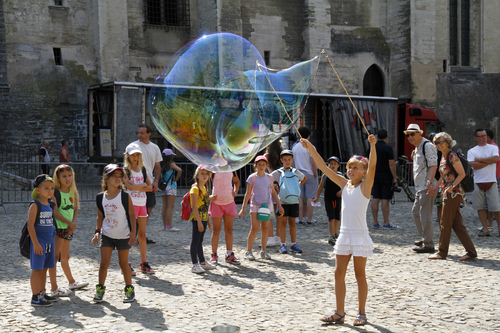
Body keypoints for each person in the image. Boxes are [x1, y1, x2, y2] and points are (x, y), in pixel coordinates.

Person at [301, 134, 377, 326]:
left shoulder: (365, 186)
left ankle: (362, 313)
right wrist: (310, 147)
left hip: (359, 235)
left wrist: (372, 146)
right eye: (349, 167)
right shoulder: (345, 184)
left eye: (356, 167)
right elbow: (323, 167)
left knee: (360, 275)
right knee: (338, 273)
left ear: (364, 172)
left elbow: (374, 165)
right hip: (344, 235)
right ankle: (339, 312)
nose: (351, 170)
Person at [428, 132, 477, 260]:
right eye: (436, 142)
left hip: (453, 194)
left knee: (445, 223)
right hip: (449, 192)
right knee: (457, 225)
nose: (438, 145)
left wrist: (451, 187)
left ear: (448, 143)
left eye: (441, 142)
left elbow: (461, 174)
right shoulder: (444, 157)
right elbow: (444, 177)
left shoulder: (452, 156)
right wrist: (435, 187)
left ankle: (442, 252)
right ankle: (471, 252)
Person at [91, 164, 137, 303]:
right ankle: (100, 289)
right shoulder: (100, 197)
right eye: (114, 176)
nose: (118, 179)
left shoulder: (124, 196)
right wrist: (97, 232)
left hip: (123, 235)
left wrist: (133, 232)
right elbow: (100, 216)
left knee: (124, 264)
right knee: (104, 263)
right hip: (107, 235)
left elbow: (132, 214)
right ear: (106, 178)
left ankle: (129, 289)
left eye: (120, 176)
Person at [50, 165, 88, 296]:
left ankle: (71, 281)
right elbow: (55, 212)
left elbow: (76, 209)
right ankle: (53, 287)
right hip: (59, 228)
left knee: (65, 257)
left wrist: (73, 224)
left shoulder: (73, 191)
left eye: (69, 175)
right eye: (64, 176)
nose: (67, 178)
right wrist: (69, 223)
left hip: (69, 229)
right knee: (55, 257)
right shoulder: (55, 192)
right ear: (58, 178)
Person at [238, 156, 284, 260]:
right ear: (256, 166)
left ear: (267, 165)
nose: (261, 166)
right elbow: (248, 193)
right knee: (254, 228)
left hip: (266, 205)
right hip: (255, 205)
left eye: (263, 164)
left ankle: (263, 251)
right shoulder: (252, 178)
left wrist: (279, 205)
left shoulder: (269, 177)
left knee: (265, 228)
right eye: (259, 164)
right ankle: (248, 251)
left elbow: (273, 192)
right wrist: (243, 207)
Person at [405, 124, 438, 253]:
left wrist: (430, 183)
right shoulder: (418, 147)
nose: (410, 137)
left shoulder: (427, 146)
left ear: (420, 133)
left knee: (425, 215)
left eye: (412, 134)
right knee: (416, 212)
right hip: (420, 187)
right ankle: (424, 238)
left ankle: (429, 243)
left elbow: (433, 166)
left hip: (426, 186)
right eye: (408, 134)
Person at [123, 144, 154, 274]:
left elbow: (150, 187)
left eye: (137, 155)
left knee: (142, 234)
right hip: (131, 204)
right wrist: (142, 186)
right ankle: (126, 263)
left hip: (142, 203)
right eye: (132, 155)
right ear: (127, 156)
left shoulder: (142, 169)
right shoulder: (125, 170)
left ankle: (144, 262)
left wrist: (137, 186)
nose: (135, 157)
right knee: (131, 233)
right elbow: (129, 187)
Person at [28, 174, 58, 306]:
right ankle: (35, 297)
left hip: (49, 242)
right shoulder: (35, 205)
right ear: (38, 190)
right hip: (39, 243)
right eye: (46, 188)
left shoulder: (50, 204)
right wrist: (35, 243)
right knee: (37, 270)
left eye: (52, 188)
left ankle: (42, 292)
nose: (50, 191)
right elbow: (30, 225)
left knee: (45, 268)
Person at [132, 124, 163, 244]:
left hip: (150, 183)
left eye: (142, 133)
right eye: (138, 133)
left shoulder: (155, 148)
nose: (139, 135)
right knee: (134, 210)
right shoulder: (133, 146)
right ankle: (133, 235)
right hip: (137, 183)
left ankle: (141, 234)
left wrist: (156, 181)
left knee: (148, 208)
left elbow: (157, 166)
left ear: (149, 134)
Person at [271, 149, 306, 254]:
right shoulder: (277, 173)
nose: (287, 161)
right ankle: (283, 244)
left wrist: (296, 187)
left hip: (294, 201)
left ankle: (293, 244)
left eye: (289, 159)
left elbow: (304, 178)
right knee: (282, 223)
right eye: (285, 159)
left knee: (292, 223)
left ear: (292, 160)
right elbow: (272, 182)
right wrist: (278, 189)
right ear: (281, 160)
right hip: (283, 202)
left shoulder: (295, 171)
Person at [467, 129, 500, 237]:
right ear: (476, 138)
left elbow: (496, 158)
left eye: (485, 135)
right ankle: (485, 229)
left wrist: (480, 160)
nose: (484, 138)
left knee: (496, 207)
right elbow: (472, 165)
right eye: (481, 136)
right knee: (479, 207)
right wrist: (487, 162)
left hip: (491, 180)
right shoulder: (472, 151)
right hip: (477, 181)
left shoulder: (493, 148)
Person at [369, 129, 399, 229]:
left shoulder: (373, 147)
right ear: (387, 137)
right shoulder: (388, 148)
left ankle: (375, 222)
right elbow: (391, 163)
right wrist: (395, 177)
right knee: (385, 199)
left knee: (375, 198)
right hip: (386, 176)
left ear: (377, 137)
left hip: (374, 175)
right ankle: (386, 222)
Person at [189, 166, 217, 273]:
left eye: (207, 174)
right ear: (197, 175)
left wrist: (208, 220)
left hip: (204, 217)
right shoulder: (195, 188)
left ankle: (202, 262)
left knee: (200, 241)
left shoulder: (204, 188)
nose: (205, 176)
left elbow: (205, 205)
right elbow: (194, 207)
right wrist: (199, 222)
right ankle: (194, 264)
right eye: (202, 173)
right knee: (195, 241)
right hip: (197, 219)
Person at [209, 171, 241, 265]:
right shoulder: (213, 169)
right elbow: (204, 182)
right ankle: (214, 255)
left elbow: (237, 182)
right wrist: (208, 196)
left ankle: (229, 254)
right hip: (216, 203)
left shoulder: (231, 168)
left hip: (229, 202)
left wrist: (235, 191)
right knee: (216, 230)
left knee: (229, 230)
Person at [292, 127, 318, 225]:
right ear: (309, 136)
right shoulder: (310, 147)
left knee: (300, 197)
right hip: (309, 173)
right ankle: (310, 220)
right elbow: (313, 163)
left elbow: (293, 163)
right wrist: (316, 174)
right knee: (310, 197)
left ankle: (300, 219)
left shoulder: (295, 147)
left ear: (298, 135)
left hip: (298, 173)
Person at [314, 156, 342, 246]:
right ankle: (332, 235)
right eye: (331, 164)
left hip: (338, 199)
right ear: (328, 165)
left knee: (337, 217)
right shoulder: (325, 175)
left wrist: (342, 191)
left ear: (338, 165)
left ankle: (336, 234)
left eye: (334, 164)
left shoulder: (340, 175)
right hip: (328, 199)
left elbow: (346, 186)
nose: (332, 165)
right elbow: (320, 187)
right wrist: (317, 197)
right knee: (331, 217)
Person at [264, 140, 282, 246]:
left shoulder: (267, 155)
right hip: (279, 185)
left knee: (267, 213)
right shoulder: (281, 154)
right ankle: (278, 237)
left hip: (268, 185)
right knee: (278, 213)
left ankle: (269, 237)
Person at [160, 148, 182, 231]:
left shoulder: (162, 164)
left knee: (164, 206)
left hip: (164, 186)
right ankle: (169, 225)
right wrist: (176, 178)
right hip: (171, 186)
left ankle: (165, 225)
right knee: (170, 206)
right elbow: (180, 170)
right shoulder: (171, 164)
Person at [485, 129, 500, 231]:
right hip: (491, 176)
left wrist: (479, 160)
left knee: (494, 203)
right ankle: (489, 224)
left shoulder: (493, 147)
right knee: (490, 203)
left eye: (483, 136)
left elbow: (491, 161)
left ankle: (493, 225)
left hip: (494, 176)